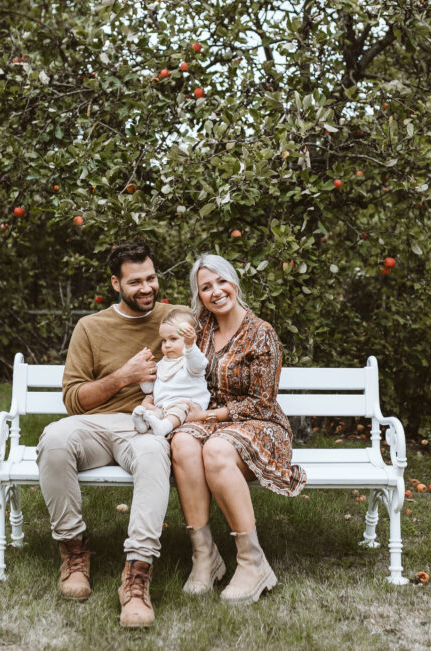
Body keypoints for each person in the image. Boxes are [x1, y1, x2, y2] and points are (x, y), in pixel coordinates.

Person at [35, 240, 188, 628]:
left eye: (151, 278)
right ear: (116, 284)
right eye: (135, 281)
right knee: (54, 438)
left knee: (155, 456)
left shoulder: (175, 319)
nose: (147, 288)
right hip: (95, 426)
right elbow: (73, 400)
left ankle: (136, 576)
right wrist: (125, 377)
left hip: (144, 428)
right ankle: (74, 552)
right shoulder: (91, 327)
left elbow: (221, 316)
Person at [169, 253, 307, 603]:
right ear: (198, 296)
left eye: (221, 281)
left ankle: (252, 562)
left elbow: (263, 401)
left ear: (235, 282)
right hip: (210, 419)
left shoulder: (262, 333)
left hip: (260, 423)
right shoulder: (199, 330)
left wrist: (209, 417)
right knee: (183, 443)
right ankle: (205, 557)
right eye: (206, 287)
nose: (216, 291)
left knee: (215, 450)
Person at [132, 309, 210, 437]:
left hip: (188, 406)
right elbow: (148, 389)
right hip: (163, 408)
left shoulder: (190, 361)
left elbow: (196, 364)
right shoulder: (161, 364)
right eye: (164, 340)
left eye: (173, 339)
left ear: (191, 339)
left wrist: (190, 346)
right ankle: (143, 425)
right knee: (150, 412)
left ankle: (164, 427)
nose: (167, 345)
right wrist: (143, 374)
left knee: (179, 409)